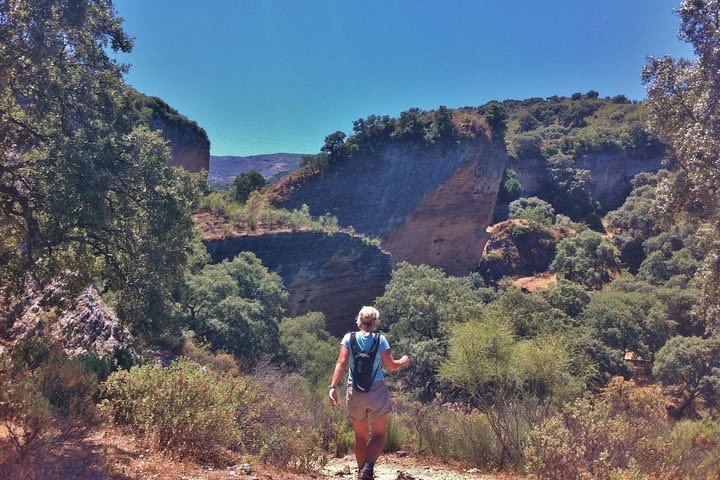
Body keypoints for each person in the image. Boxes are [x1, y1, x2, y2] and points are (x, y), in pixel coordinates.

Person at [329, 306, 410, 480]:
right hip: (376, 391)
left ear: (359, 319)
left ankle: (362, 473)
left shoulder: (348, 338)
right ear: (374, 321)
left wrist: (333, 387)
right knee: (379, 434)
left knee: (360, 436)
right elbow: (391, 365)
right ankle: (367, 470)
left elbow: (341, 363)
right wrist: (403, 361)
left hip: (354, 391)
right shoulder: (380, 340)